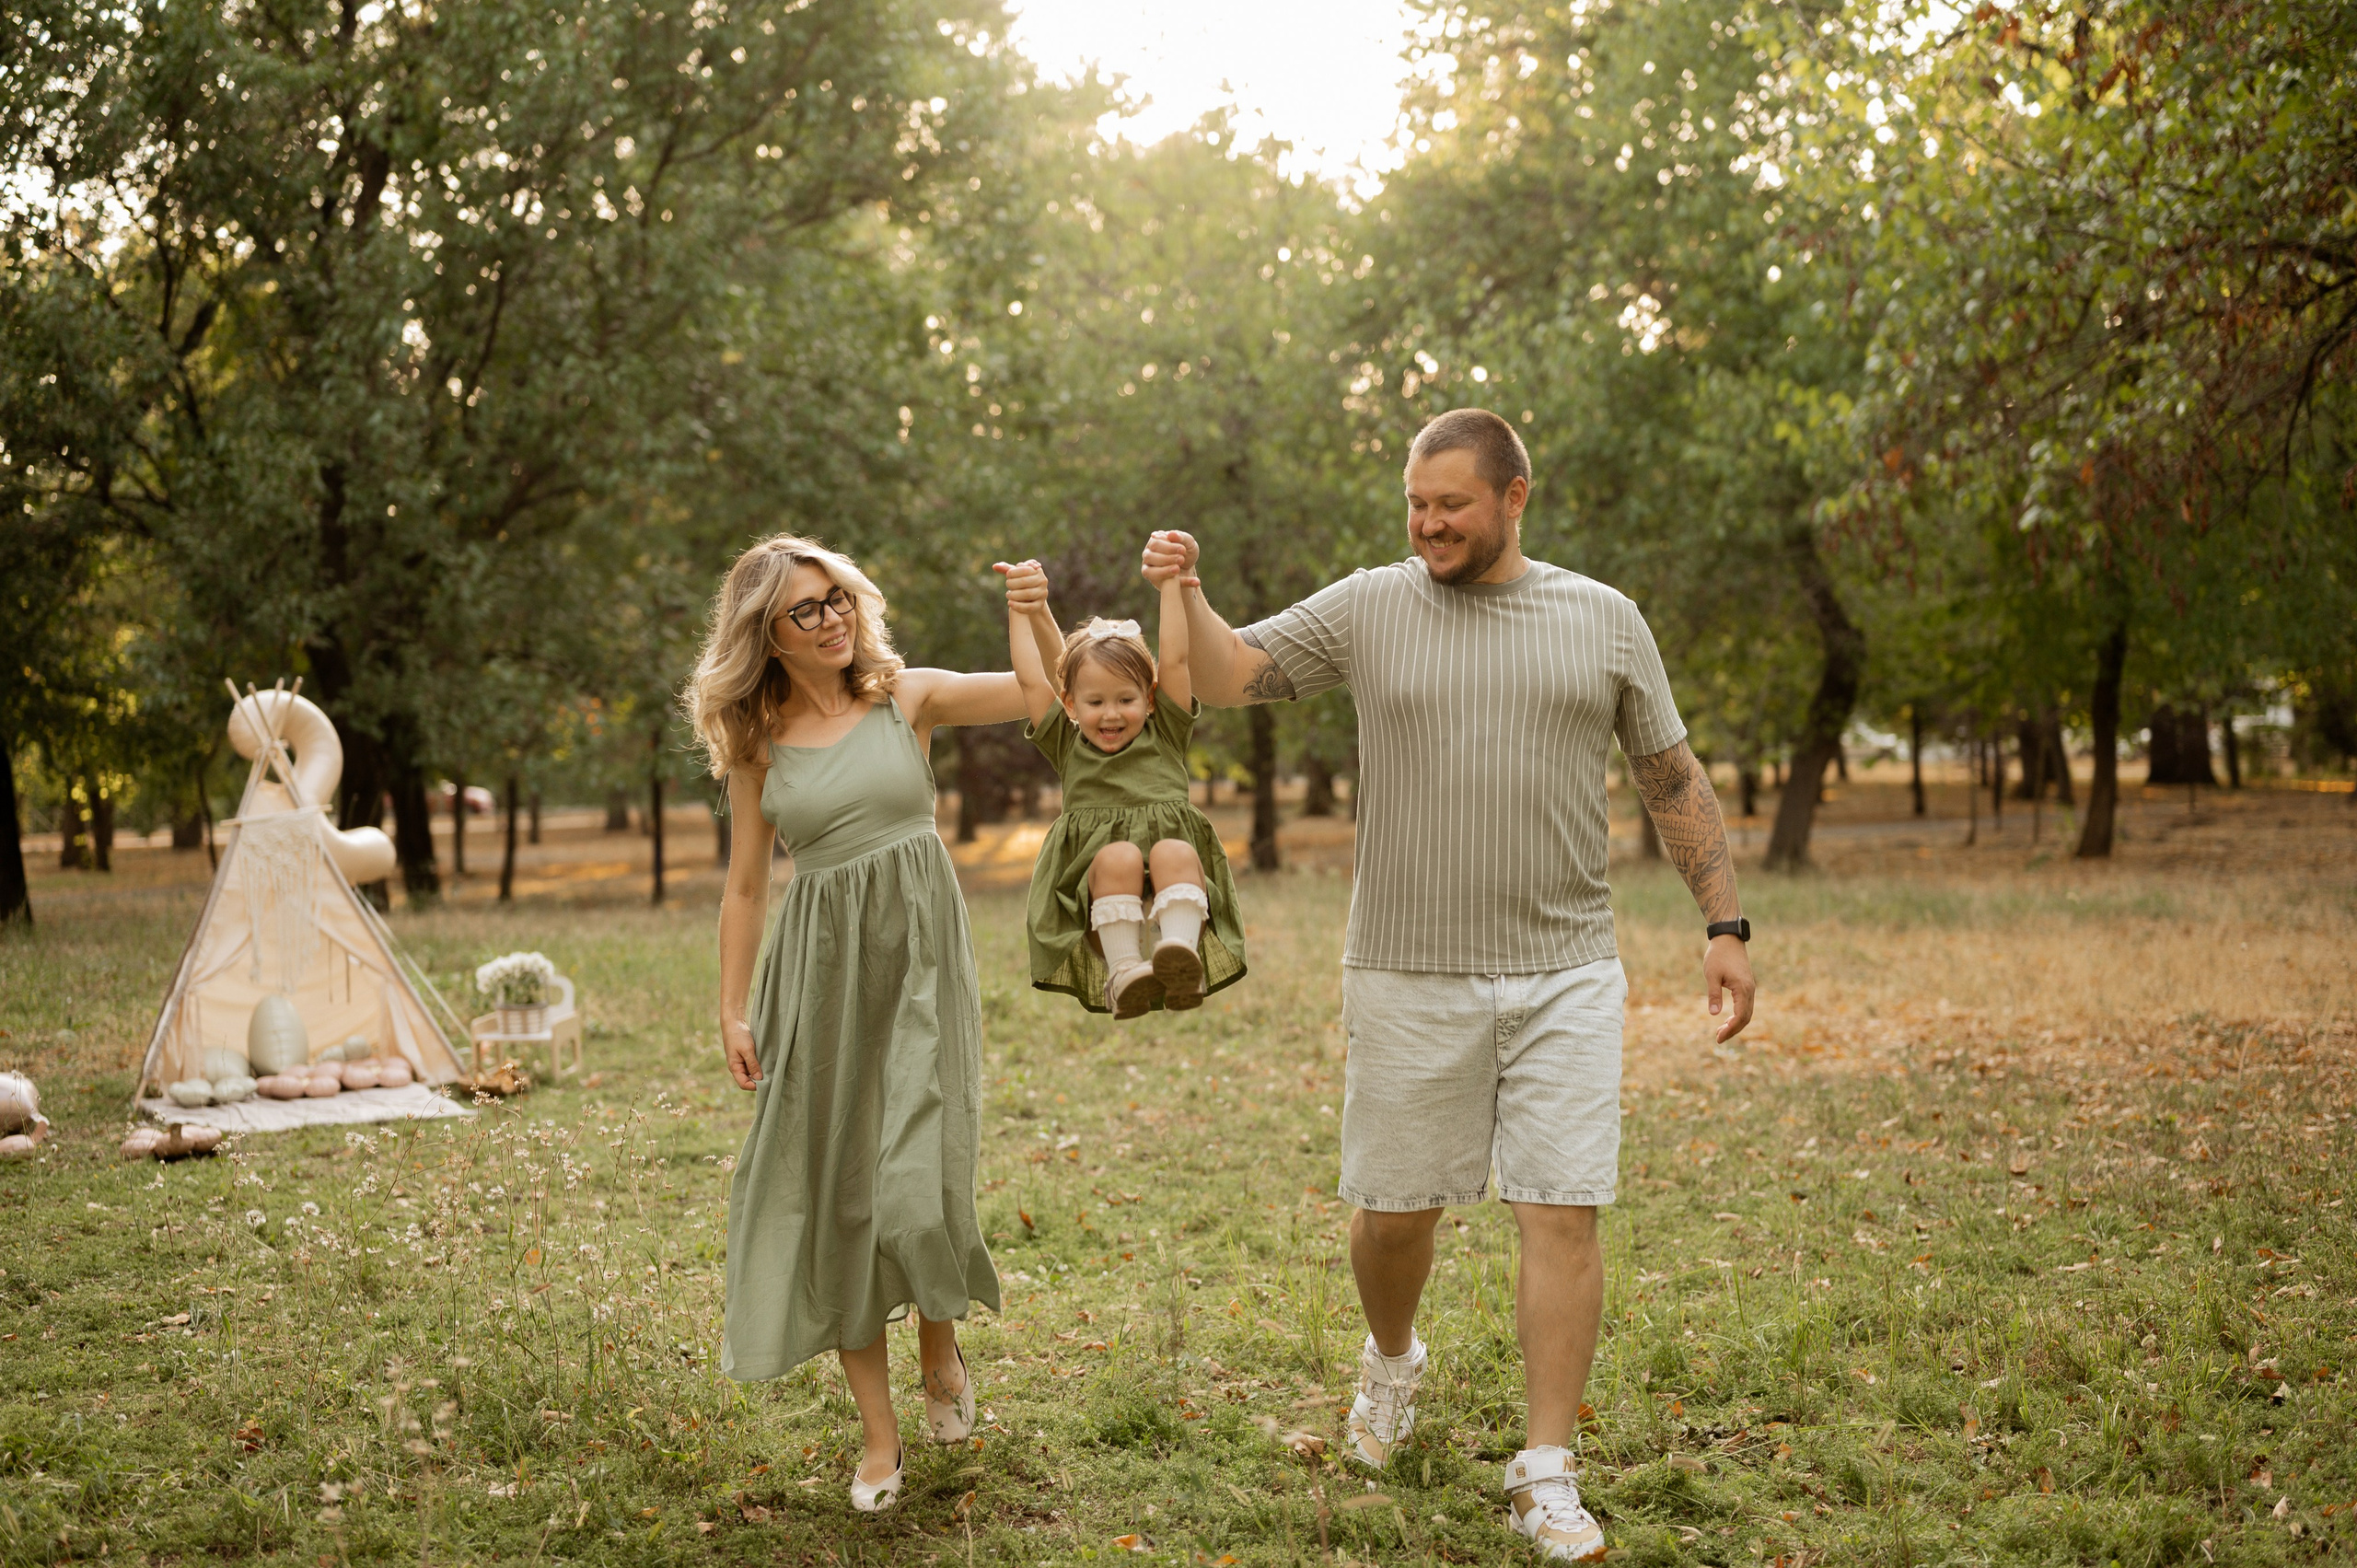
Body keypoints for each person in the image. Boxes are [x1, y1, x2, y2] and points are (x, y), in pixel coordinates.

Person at [1143, 409, 1756, 1563]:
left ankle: (1544, 1467)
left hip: (1567, 964)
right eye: (1416, 504)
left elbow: (1670, 774)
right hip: (1406, 966)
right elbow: (1224, 674)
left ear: (1516, 495)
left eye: (1451, 505)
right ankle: (1392, 1361)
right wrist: (1185, 589)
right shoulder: (1370, 605)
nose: (1427, 523)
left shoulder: (1604, 617)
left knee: (1560, 1204)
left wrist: (1722, 919)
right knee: (1394, 1212)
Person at [687, 533, 1060, 1515]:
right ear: (765, 632)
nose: (831, 617)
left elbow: (1043, 694)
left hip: (920, 959)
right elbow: (743, 884)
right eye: (805, 608)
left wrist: (1028, 610)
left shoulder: (908, 696)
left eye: (838, 597)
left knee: (918, 1184)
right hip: (817, 977)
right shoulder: (757, 742)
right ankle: (879, 1436)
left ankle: (940, 1333)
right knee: (840, 1192)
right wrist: (732, 1006)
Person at [1002, 557, 1247, 1016]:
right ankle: (1125, 972)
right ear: (1070, 703)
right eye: (1095, 702)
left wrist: (1170, 584)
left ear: (1150, 697)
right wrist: (1020, 607)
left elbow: (1173, 657)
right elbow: (1032, 679)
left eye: (1126, 700)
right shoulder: (1067, 745)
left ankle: (1179, 956)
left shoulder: (1167, 733)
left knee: (1174, 850)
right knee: (1120, 856)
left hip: (1175, 880)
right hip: (1101, 889)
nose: (1111, 714)